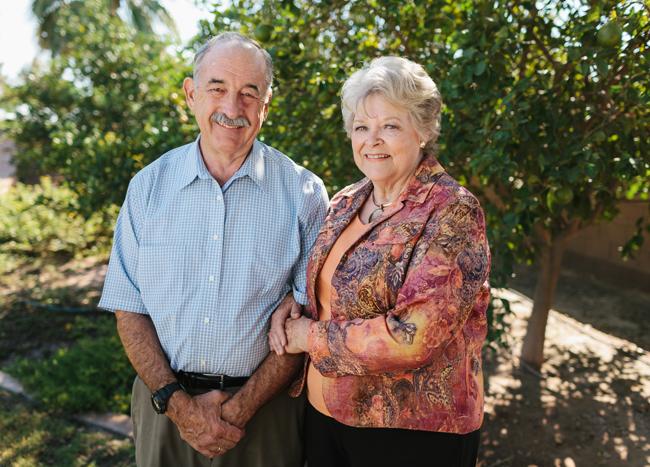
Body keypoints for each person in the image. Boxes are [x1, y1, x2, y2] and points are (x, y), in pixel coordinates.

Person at [99, 32, 328, 467]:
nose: (232, 107)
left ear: (266, 104)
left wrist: (240, 409)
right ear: (191, 93)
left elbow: (308, 315)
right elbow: (128, 307)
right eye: (217, 88)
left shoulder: (305, 193)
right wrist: (180, 407)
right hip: (164, 407)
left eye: (249, 93)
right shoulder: (148, 187)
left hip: (267, 413)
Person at [269, 56, 491, 467]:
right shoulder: (346, 201)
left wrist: (307, 337)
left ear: (423, 130)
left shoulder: (451, 212)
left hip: (410, 436)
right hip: (325, 419)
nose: (372, 140)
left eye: (389, 126)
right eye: (361, 127)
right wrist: (295, 301)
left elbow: (412, 337)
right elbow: (327, 287)